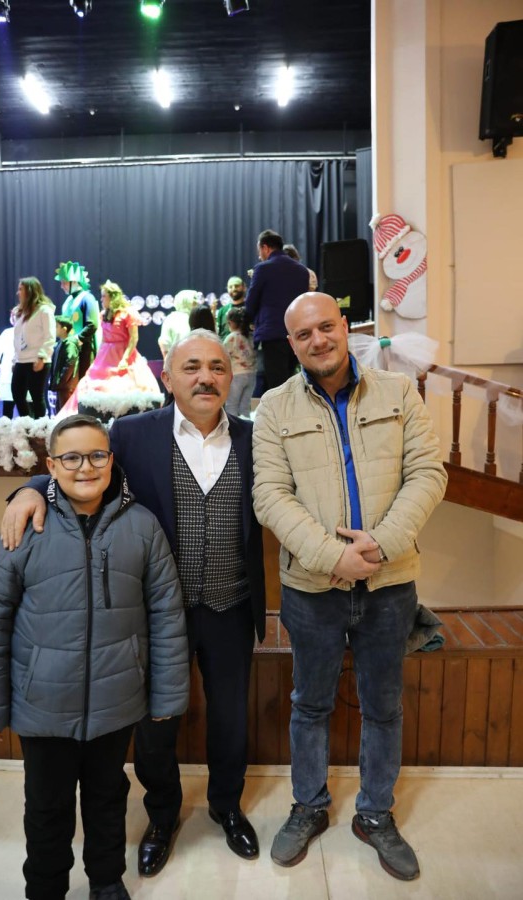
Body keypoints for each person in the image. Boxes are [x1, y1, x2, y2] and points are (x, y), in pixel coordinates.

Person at [1, 330, 266, 879]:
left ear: (231, 377)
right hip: (154, 613)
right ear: (167, 378)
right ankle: (162, 815)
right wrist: (30, 488)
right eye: (191, 367)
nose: (206, 377)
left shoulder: (255, 438)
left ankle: (226, 805)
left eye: (217, 367)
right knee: (154, 726)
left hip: (231, 606)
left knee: (230, 719)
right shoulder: (132, 433)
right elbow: (83, 470)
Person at [252, 292, 447, 881]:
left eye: (325, 327)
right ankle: (309, 806)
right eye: (303, 334)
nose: (318, 340)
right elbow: (270, 496)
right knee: (309, 703)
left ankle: (375, 814)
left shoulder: (398, 392)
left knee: (384, 707)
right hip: (311, 590)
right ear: (292, 344)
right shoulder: (273, 408)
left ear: (344, 326)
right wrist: (333, 555)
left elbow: (427, 473)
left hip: (391, 585)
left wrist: (380, 546)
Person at [0, 413, 189, 900]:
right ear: (50, 465)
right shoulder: (24, 526)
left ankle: (106, 880)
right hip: (43, 705)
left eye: (96, 455)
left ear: (111, 460)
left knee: (108, 798)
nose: (84, 467)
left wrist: (167, 696)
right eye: (70, 457)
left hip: (116, 700)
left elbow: (166, 616)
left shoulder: (142, 527)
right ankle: (45, 887)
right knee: (47, 806)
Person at [61, 280, 162, 420]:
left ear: (113, 297)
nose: (101, 299)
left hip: (123, 352)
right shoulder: (104, 314)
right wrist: (98, 358)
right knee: (91, 382)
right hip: (105, 354)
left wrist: (125, 358)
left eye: (104, 296)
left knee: (125, 385)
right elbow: (103, 338)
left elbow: (133, 338)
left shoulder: (127, 313)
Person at [244, 230, 309, 392]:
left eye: (259, 251)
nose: (259, 256)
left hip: (272, 335)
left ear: (265, 248)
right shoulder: (302, 271)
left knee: (277, 387)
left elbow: (250, 303)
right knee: (292, 382)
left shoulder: (263, 269)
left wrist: (249, 321)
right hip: (296, 334)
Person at [11, 277, 56, 419]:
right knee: (17, 394)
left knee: (37, 396)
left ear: (30, 291)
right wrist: (15, 359)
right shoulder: (21, 313)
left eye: (21, 289)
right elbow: (18, 338)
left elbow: (50, 336)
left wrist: (42, 356)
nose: (18, 293)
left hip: (37, 359)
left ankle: (40, 426)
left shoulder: (44, 311)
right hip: (22, 360)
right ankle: (27, 423)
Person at [55, 261, 101, 378]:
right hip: (69, 351)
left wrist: (77, 339)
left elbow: (92, 324)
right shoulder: (67, 302)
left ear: (74, 281)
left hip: (84, 351)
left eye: (64, 282)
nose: (61, 286)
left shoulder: (87, 298)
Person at [223, 306, 256, 418]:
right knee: (245, 407)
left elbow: (223, 356)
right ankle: (245, 426)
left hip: (236, 375)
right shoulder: (251, 337)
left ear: (231, 323)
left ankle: (231, 427)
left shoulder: (231, 338)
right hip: (252, 375)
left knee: (231, 406)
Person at [48, 316, 79, 413]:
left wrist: (62, 380)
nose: (54, 329)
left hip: (66, 386)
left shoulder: (70, 344)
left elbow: (70, 361)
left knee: (65, 413)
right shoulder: (60, 343)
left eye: (56, 326)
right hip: (62, 386)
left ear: (64, 329)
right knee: (59, 411)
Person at [157, 289, 200, 359]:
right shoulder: (172, 318)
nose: (197, 304)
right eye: (194, 302)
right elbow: (164, 343)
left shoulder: (197, 317)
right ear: (186, 302)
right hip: (179, 359)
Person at [0, 309, 17, 418]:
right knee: (8, 404)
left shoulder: (28, 332)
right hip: (7, 369)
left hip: (23, 368)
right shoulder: (6, 332)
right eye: (12, 315)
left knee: (26, 403)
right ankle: (6, 426)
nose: (14, 318)